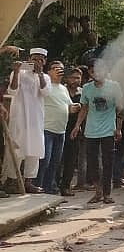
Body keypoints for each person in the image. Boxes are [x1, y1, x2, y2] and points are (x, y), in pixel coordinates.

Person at [72, 58, 123, 205]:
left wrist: (118, 129)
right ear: (90, 72)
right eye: (93, 71)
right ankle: (98, 191)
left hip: (109, 131)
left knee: (108, 163)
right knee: (92, 163)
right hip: (91, 131)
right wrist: (77, 125)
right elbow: (84, 108)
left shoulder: (114, 86)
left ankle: (107, 194)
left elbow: (120, 109)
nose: (97, 73)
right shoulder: (87, 88)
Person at [3, 48, 48, 194]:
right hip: (20, 117)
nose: (37, 62)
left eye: (41, 60)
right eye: (35, 59)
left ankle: (29, 181)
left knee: (34, 150)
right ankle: (11, 180)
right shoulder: (19, 73)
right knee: (16, 148)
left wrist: (40, 73)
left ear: (45, 62)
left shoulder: (45, 77)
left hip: (36, 119)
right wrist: (16, 72)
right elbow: (12, 91)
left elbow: (46, 92)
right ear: (29, 59)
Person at [34, 60, 71, 195]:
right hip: (46, 128)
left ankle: (48, 189)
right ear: (48, 71)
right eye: (55, 68)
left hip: (61, 130)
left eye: (61, 69)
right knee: (45, 161)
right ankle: (38, 187)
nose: (59, 71)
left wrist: (76, 107)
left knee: (55, 162)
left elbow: (69, 107)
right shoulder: (44, 84)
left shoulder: (64, 88)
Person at [56, 66, 84, 196]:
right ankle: (54, 185)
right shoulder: (61, 91)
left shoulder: (82, 93)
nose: (76, 80)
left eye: (78, 78)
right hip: (60, 127)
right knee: (57, 158)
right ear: (67, 78)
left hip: (76, 129)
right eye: (73, 77)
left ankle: (66, 186)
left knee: (71, 159)